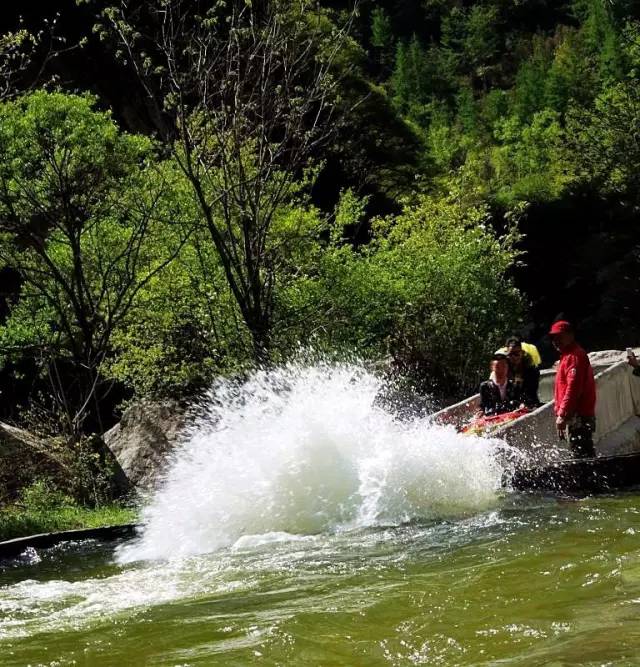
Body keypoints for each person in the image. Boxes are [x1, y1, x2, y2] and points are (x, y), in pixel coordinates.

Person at [549, 320, 596, 458]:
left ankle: (591, 479)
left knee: (581, 456)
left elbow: (573, 388)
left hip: (578, 415)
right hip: (574, 415)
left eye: (559, 337)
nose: (555, 341)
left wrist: (562, 414)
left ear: (571, 335)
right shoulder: (567, 356)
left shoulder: (574, 357)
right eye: (553, 338)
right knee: (582, 453)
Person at [504, 337, 541, 408]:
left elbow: (532, 391)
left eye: (516, 354)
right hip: (511, 405)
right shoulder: (505, 368)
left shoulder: (531, 370)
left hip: (530, 404)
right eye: (511, 354)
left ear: (522, 353)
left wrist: (524, 403)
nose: (514, 357)